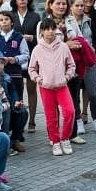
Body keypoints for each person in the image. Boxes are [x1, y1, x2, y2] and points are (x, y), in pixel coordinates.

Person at [40, 0, 85, 143]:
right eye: (57, 3)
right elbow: (44, 46)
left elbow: (80, 38)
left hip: (71, 67)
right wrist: (67, 45)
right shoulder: (44, 23)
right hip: (53, 70)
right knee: (52, 107)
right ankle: (54, 137)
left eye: (64, 3)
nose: (61, 6)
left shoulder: (71, 20)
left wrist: (77, 44)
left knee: (73, 101)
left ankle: (71, 134)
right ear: (51, 5)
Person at [29, 17, 77, 156]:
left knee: (70, 111)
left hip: (62, 86)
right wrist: (38, 79)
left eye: (52, 29)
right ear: (41, 32)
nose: (50, 32)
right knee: (51, 116)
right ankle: (55, 142)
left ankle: (65, 138)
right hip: (46, 87)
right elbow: (32, 68)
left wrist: (67, 77)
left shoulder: (63, 47)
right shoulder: (38, 49)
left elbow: (71, 65)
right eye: (46, 29)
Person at [0, 10, 29, 150]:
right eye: (1, 20)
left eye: (7, 19)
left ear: (11, 21)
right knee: (3, 108)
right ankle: (3, 138)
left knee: (16, 106)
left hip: (15, 76)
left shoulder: (18, 37)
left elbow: (26, 55)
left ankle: (16, 139)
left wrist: (15, 59)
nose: (4, 22)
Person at [69, 0, 96, 134]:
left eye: (81, 5)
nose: (80, 8)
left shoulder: (89, 21)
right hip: (75, 61)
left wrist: (92, 48)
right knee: (75, 94)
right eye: (77, 5)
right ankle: (78, 121)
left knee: (92, 93)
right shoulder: (68, 22)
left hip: (89, 60)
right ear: (71, 7)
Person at [10, 0, 41, 132]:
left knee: (31, 88)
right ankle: (20, 119)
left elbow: (41, 36)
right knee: (18, 89)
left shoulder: (35, 16)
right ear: (15, 1)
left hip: (32, 55)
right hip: (15, 57)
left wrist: (32, 38)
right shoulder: (10, 16)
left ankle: (32, 121)